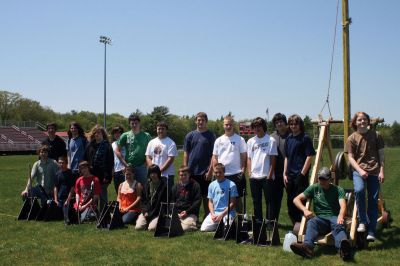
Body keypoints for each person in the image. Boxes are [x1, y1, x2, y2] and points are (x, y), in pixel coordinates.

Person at [290, 167, 351, 261]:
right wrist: (305, 210)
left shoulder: (338, 190)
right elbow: (296, 199)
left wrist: (340, 215)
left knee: (338, 225)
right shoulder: (314, 188)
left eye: (324, 179)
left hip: (334, 216)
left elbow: (343, 206)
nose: (321, 181)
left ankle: (343, 249)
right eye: (320, 178)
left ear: (330, 179)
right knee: (312, 222)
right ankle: (307, 248)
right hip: (320, 219)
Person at [345, 111, 385, 242]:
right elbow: (350, 158)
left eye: (364, 119)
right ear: (355, 122)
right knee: (359, 191)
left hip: (374, 171)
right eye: (359, 120)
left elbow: (381, 155)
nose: (362, 122)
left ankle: (372, 230)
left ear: (368, 121)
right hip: (358, 171)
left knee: (373, 201)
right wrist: (360, 170)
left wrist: (381, 171)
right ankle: (362, 221)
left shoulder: (376, 135)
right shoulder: (351, 138)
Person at [284, 114, 316, 225]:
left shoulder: (305, 138)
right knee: (290, 204)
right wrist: (285, 174)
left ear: (300, 124)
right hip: (289, 176)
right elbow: (286, 157)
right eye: (291, 124)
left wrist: (302, 175)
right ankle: (296, 226)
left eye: (296, 124)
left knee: (299, 203)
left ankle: (303, 226)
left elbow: (309, 156)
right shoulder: (288, 138)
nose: (293, 126)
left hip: (300, 175)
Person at [183, 112, 216, 217]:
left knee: (206, 196)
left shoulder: (211, 135)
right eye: (198, 120)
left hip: (205, 172)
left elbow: (213, 155)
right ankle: (192, 217)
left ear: (206, 121)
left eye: (202, 120)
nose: (200, 122)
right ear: (195, 121)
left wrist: (210, 171)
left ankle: (208, 218)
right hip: (191, 171)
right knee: (192, 196)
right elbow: (186, 153)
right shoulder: (190, 135)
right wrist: (185, 170)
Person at [212, 115, 247, 213]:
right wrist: (216, 171)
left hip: (236, 173)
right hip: (222, 174)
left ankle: (241, 220)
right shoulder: (218, 140)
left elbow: (244, 156)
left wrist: (243, 170)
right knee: (221, 196)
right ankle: (221, 217)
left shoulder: (240, 139)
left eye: (230, 125)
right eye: (226, 125)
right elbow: (214, 157)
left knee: (238, 198)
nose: (228, 126)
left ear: (233, 125)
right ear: (223, 125)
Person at [247, 117, 278, 221]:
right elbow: (249, 158)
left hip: (266, 176)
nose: (257, 129)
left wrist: (270, 175)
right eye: (255, 127)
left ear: (263, 126)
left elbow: (273, 159)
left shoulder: (271, 140)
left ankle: (269, 221)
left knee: (269, 200)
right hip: (254, 176)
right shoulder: (251, 141)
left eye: (259, 126)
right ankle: (258, 221)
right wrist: (250, 173)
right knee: (256, 200)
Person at [200, 163, 238, 232]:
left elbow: (233, 203)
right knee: (203, 228)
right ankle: (219, 225)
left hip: (227, 213)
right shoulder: (211, 185)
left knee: (228, 230)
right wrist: (212, 214)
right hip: (215, 213)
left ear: (224, 172)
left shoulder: (231, 184)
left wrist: (222, 215)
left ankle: (226, 224)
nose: (218, 174)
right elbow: (210, 202)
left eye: (220, 172)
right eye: (216, 173)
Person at [84, 125, 114, 212]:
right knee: (92, 195)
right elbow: (85, 159)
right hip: (91, 174)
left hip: (103, 175)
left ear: (103, 134)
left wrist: (107, 175)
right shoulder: (90, 145)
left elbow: (110, 162)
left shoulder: (107, 146)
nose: (97, 134)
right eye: (95, 133)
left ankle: (104, 214)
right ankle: (93, 213)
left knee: (102, 195)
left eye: (99, 132)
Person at [116, 114, 151, 185]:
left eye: (136, 123)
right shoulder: (125, 135)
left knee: (143, 189)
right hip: (129, 167)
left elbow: (151, 152)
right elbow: (117, 150)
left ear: (139, 123)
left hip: (142, 167)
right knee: (129, 190)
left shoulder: (146, 136)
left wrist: (146, 163)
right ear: (129, 124)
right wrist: (125, 164)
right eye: (132, 123)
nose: (134, 125)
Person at [145, 121, 178, 188]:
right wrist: (153, 170)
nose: (160, 130)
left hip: (167, 175)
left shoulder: (171, 143)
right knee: (153, 195)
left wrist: (159, 171)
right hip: (153, 175)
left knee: (167, 196)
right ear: (156, 130)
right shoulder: (151, 142)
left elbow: (170, 159)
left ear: (166, 130)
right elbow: (148, 157)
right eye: (159, 129)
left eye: (163, 129)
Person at [135, 164, 167, 231]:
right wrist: (144, 211)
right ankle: (148, 222)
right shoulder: (146, 185)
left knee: (151, 228)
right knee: (138, 227)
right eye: (151, 173)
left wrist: (153, 213)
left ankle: (153, 223)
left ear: (158, 173)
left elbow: (164, 203)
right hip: (147, 212)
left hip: (157, 213)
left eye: (155, 173)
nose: (153, 175)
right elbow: (142, 201)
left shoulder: (164, 186)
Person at [271, 113, 289, 222]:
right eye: (276, 122)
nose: (279, 124)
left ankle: (297, 223)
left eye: (281, 121)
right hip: (276, 174)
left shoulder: (292, 135)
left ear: (285, 122)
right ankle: (273, 223)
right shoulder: (272, 137)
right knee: (275, 200)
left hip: (289, 174)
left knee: (292, 200)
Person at [171, 166, 202, 231]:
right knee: (166, 226)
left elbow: (197, 202)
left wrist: (187, 212)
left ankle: (195, 223)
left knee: (184, 228)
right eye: (181, 175)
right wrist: (175, 213)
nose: (183, 177)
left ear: (189, 174)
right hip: (177, 213)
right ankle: (182, 222)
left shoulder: (195, 185)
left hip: (190, 213)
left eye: (185, 175)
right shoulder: (175, 186)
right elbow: (172, 201)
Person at [53, 155, 74, 224]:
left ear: (66, 163)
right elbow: (55, 187)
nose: (61, 164)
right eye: (59, 163)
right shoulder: (57, 174)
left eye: (63, 163)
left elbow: (72, 188)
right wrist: (55, 200)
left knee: (65, 207)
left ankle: (66, 219)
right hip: (59, 197)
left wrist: (68, 199)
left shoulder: (70, 173)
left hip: (68, 197)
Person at [111, 126, 126, 194]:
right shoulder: (113, 144)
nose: (117, 134)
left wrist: (126, 166)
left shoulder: (126, 143)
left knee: (126, 191)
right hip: (116, 170)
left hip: (125, 170)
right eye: (115, 133)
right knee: (118, 192)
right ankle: (120, 204)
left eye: (119, 132)